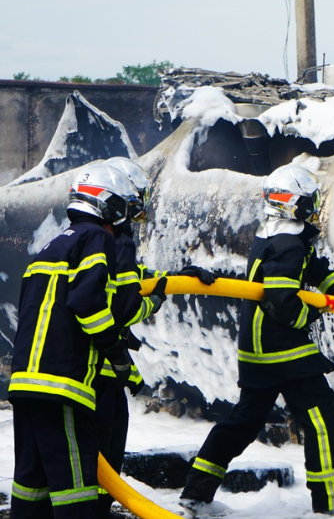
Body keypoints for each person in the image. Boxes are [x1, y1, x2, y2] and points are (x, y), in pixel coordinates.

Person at [179, 164, 334, 515]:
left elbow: (316, 270)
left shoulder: (275, 237)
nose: (313, 208)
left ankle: (196, 492)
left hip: (258, 351)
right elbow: (282, 302)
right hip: (283, 351)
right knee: (322, 420)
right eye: (309, 202)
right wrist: (316, 313)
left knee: (242, 423)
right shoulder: (288, 245)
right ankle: (332, 500)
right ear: (294, 204)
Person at [9, 165, 139, 519]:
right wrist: (115, 349)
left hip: (25, 384)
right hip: (63, 386)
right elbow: (87, 301)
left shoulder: (49, 247)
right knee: (75, 491)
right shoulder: (97, 238)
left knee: (31, 486)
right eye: (123, 210)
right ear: (108, 206)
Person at [94, 157, 218, 518]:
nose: (137, 212)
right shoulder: (114, 242)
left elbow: (136, 278)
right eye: (135, 203)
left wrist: (176, 277)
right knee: (99, 454)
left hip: (104, 370)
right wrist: (158, 298)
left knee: (107, 455)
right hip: (97, 371)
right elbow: (126, 303)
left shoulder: (109, 241)